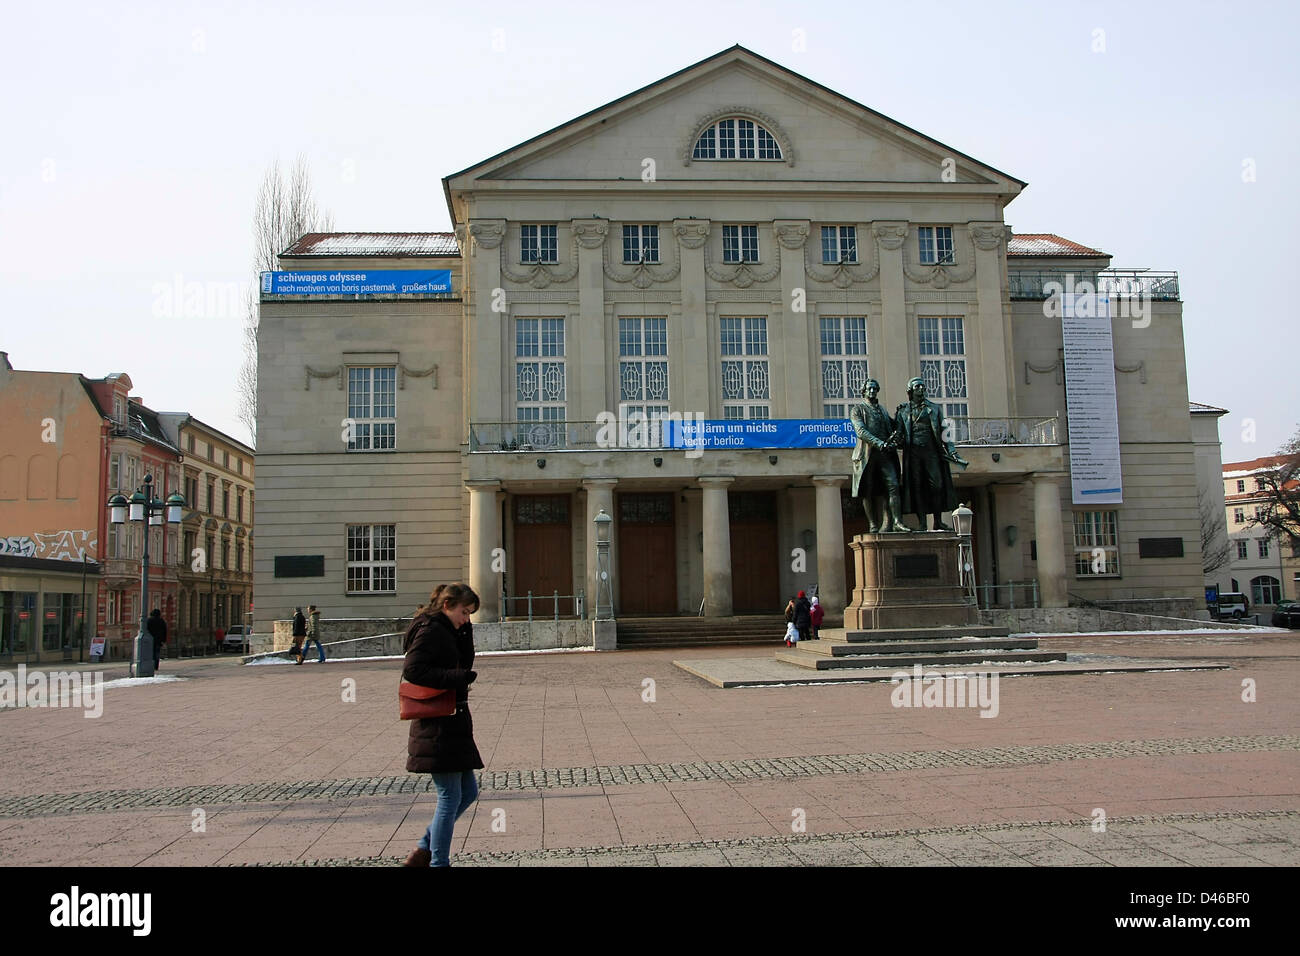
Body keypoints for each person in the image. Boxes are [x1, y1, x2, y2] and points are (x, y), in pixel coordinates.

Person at [402, 582, 483, 868]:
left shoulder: (449, 629)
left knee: (468, 792)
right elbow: (413, 670)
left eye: (471, 614)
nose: (467, 618)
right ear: (447, 605)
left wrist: (465, 630)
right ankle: (438, 862)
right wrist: (455, 679)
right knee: (450, 796)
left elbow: (464, 662)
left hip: (454, 720)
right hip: (438, 724)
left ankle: (424, 848)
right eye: (464, 612)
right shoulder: (431, 630)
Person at [893, 376, 969, 531]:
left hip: (932, 453)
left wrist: (952, 450)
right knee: (917, 488)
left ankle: (938, 520)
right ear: (910, 391)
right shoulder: (903, 411)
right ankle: (922, 523)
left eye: (922, 386)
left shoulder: (934, 409)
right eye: (917, 387)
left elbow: (945, 433)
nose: (921, 389)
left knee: (937, 486)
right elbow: (899, 434)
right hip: (913, 454)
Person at [850, 378, 905, 532]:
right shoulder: (857, 409)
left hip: (885, 455)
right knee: (867, 490)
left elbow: (893, 427)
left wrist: (899, 415)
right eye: (869, 388)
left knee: (892, 486)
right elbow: (861, 431)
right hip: (867, 454)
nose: (872, 391)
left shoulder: (882, 410)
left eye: (875, 388)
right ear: (864, 391)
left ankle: (894, 522)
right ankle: (873, 524)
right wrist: (879, 443)